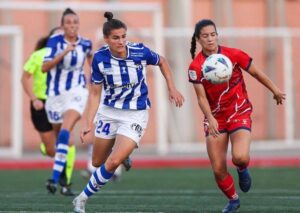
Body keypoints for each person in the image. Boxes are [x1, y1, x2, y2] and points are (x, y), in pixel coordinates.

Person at [72, 11, 184, 213]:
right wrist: (89, 122)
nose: (121, 41)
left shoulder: (140, 51)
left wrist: (172, 87)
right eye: (116, 38)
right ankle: (123, 151)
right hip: (109, 112)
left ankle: (81, 198)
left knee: (112, 162)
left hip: (135, 113)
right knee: (97, 161)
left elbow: (162, 61)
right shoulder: (99, 59)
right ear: (106, 39)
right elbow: (95, 94)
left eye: (124, 36)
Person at [188, 19, 285, 213]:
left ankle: (242, 168)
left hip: (238, 110)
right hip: (215, 117)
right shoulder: (195, 66)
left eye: (213, 34)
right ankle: (233, 200)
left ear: (217, 35)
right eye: (205, 36)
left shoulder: (233, 54)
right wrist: (210, 117)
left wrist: (274, 89)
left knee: (240, 157)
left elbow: (256, 73)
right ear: (198, 39)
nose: (210, 39)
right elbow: (201, 97)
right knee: (217, 168)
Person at [42, 8, 93, 195]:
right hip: (55, 96)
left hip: (77, 93)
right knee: (60, 140)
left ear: (78, 25)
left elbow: (93, 64)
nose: (72, 26)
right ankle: (63, 177)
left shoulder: (86, 44)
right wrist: (63, 53)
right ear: (63, 26)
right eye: (68, 23)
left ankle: (54, 179)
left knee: (65, 131)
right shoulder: (54, 42)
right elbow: (44, 67)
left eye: (75, 23)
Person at [21, 27, 77, 196]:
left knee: (68, 143)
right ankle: (47, 149)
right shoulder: (39, 55)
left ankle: (65, 181)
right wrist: (34, 99)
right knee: (52, 149)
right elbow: (24, 78)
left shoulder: (71, 56)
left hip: (60, 104)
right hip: (41, 105)